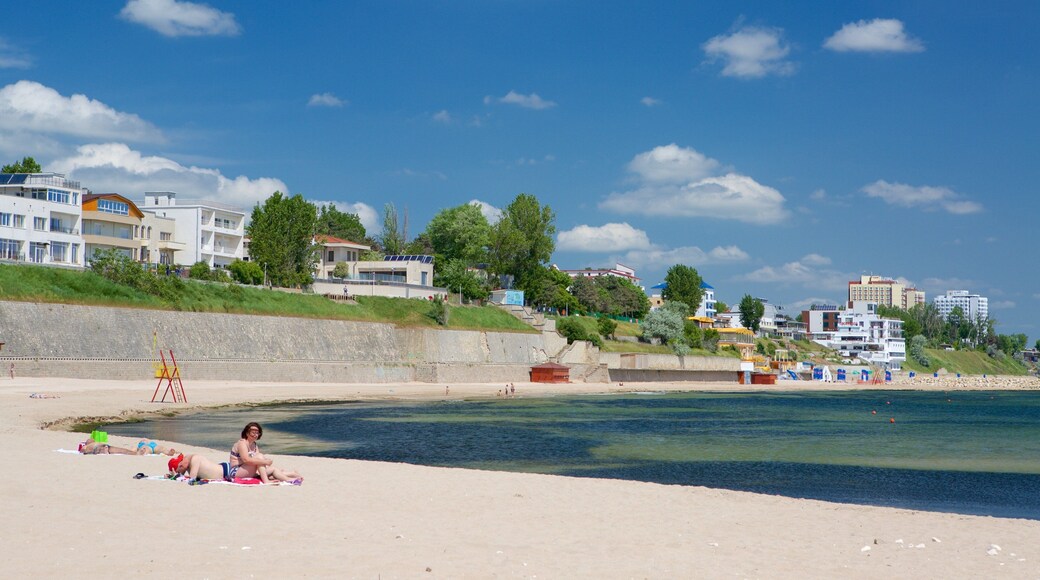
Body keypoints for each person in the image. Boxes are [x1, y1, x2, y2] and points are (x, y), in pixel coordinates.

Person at [230, 422, 303, 484]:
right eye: (253, 432)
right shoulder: (242, 443)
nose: (255, 434)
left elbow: (258, 463)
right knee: (260, 457)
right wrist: (265, 462)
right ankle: (266, 481)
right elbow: (246, 460)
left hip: (248, 470)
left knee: (273, 469)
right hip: (237, 471)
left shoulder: (254, 445)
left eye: (257, 433)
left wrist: (266, 464)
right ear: (247, 433)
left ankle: (289, 478)